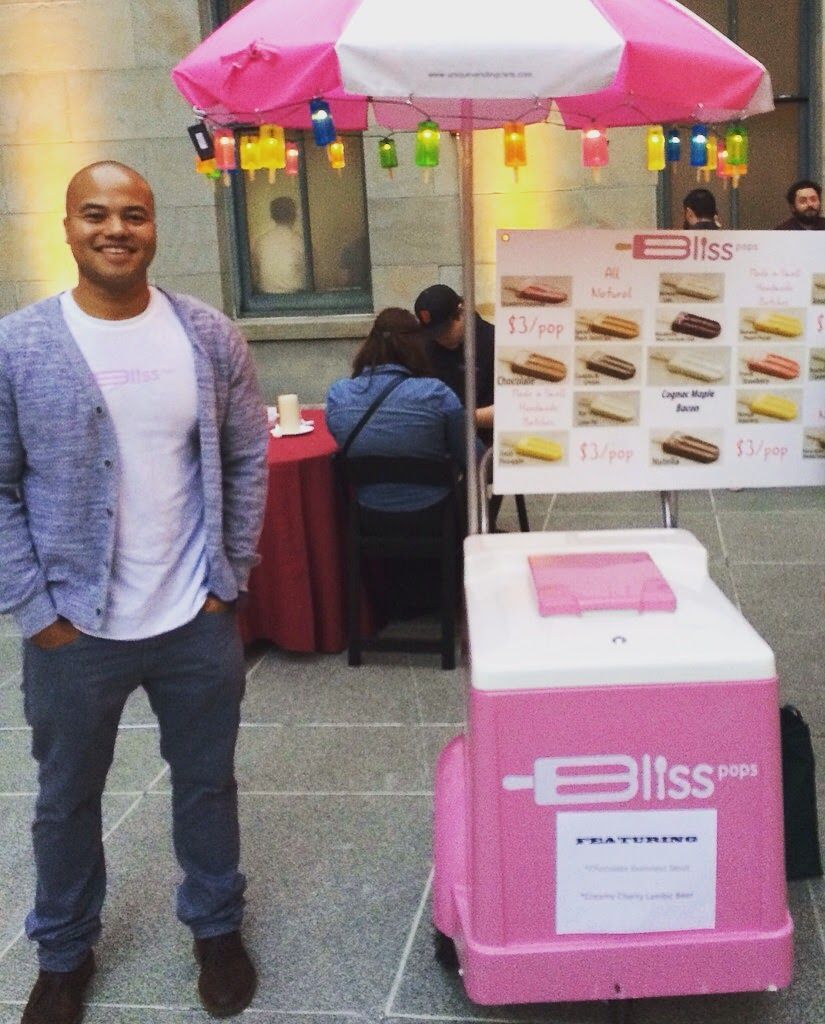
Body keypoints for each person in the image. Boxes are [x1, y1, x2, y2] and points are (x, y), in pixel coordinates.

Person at [0, 162, 268, 1023]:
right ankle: (65, 953)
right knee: (66, 798)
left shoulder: (209, 335)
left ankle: (216, 930)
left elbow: (244, 457)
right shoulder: (20, 345)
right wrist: (37, 613)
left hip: (195, 616)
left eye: (134, 215)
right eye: (96, 214)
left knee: (206, 784)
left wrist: (229, 577)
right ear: (69, 228)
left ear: (156, 227)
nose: (116, 229)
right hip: (75, 627)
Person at [326, 307, 474, 515]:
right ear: (417, 346)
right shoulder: (436, 394)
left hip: (368, 515)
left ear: (369, 345)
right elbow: (473, 456)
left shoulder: (338, 396)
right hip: (436, 517)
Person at [413, 284, 495, 441]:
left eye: (445, 330)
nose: (440, 338)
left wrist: (457, 418)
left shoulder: (492, 342)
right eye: (434, 334)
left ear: (461, 312)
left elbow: (506, 409)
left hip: (483, 443)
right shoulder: (426, 346)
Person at [251, 195, 308, 292]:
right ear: (294, 215)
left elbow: (255, 273)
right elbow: (314, 274)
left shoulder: (261, 242)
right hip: (296, 300)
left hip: (264, 301)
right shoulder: (300, 242)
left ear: (272, 216)